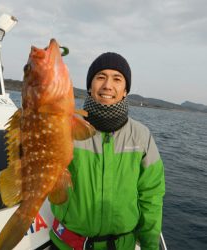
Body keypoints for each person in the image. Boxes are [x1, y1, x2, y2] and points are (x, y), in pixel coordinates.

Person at [49, 52, 165, 250]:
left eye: (117, 79)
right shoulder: (63, 128)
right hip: (67, 245)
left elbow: (151, 196)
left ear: (125, 90)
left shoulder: (141, 136)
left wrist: (150, 246)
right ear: (89, 86)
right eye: (100, 77)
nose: (107, 85)